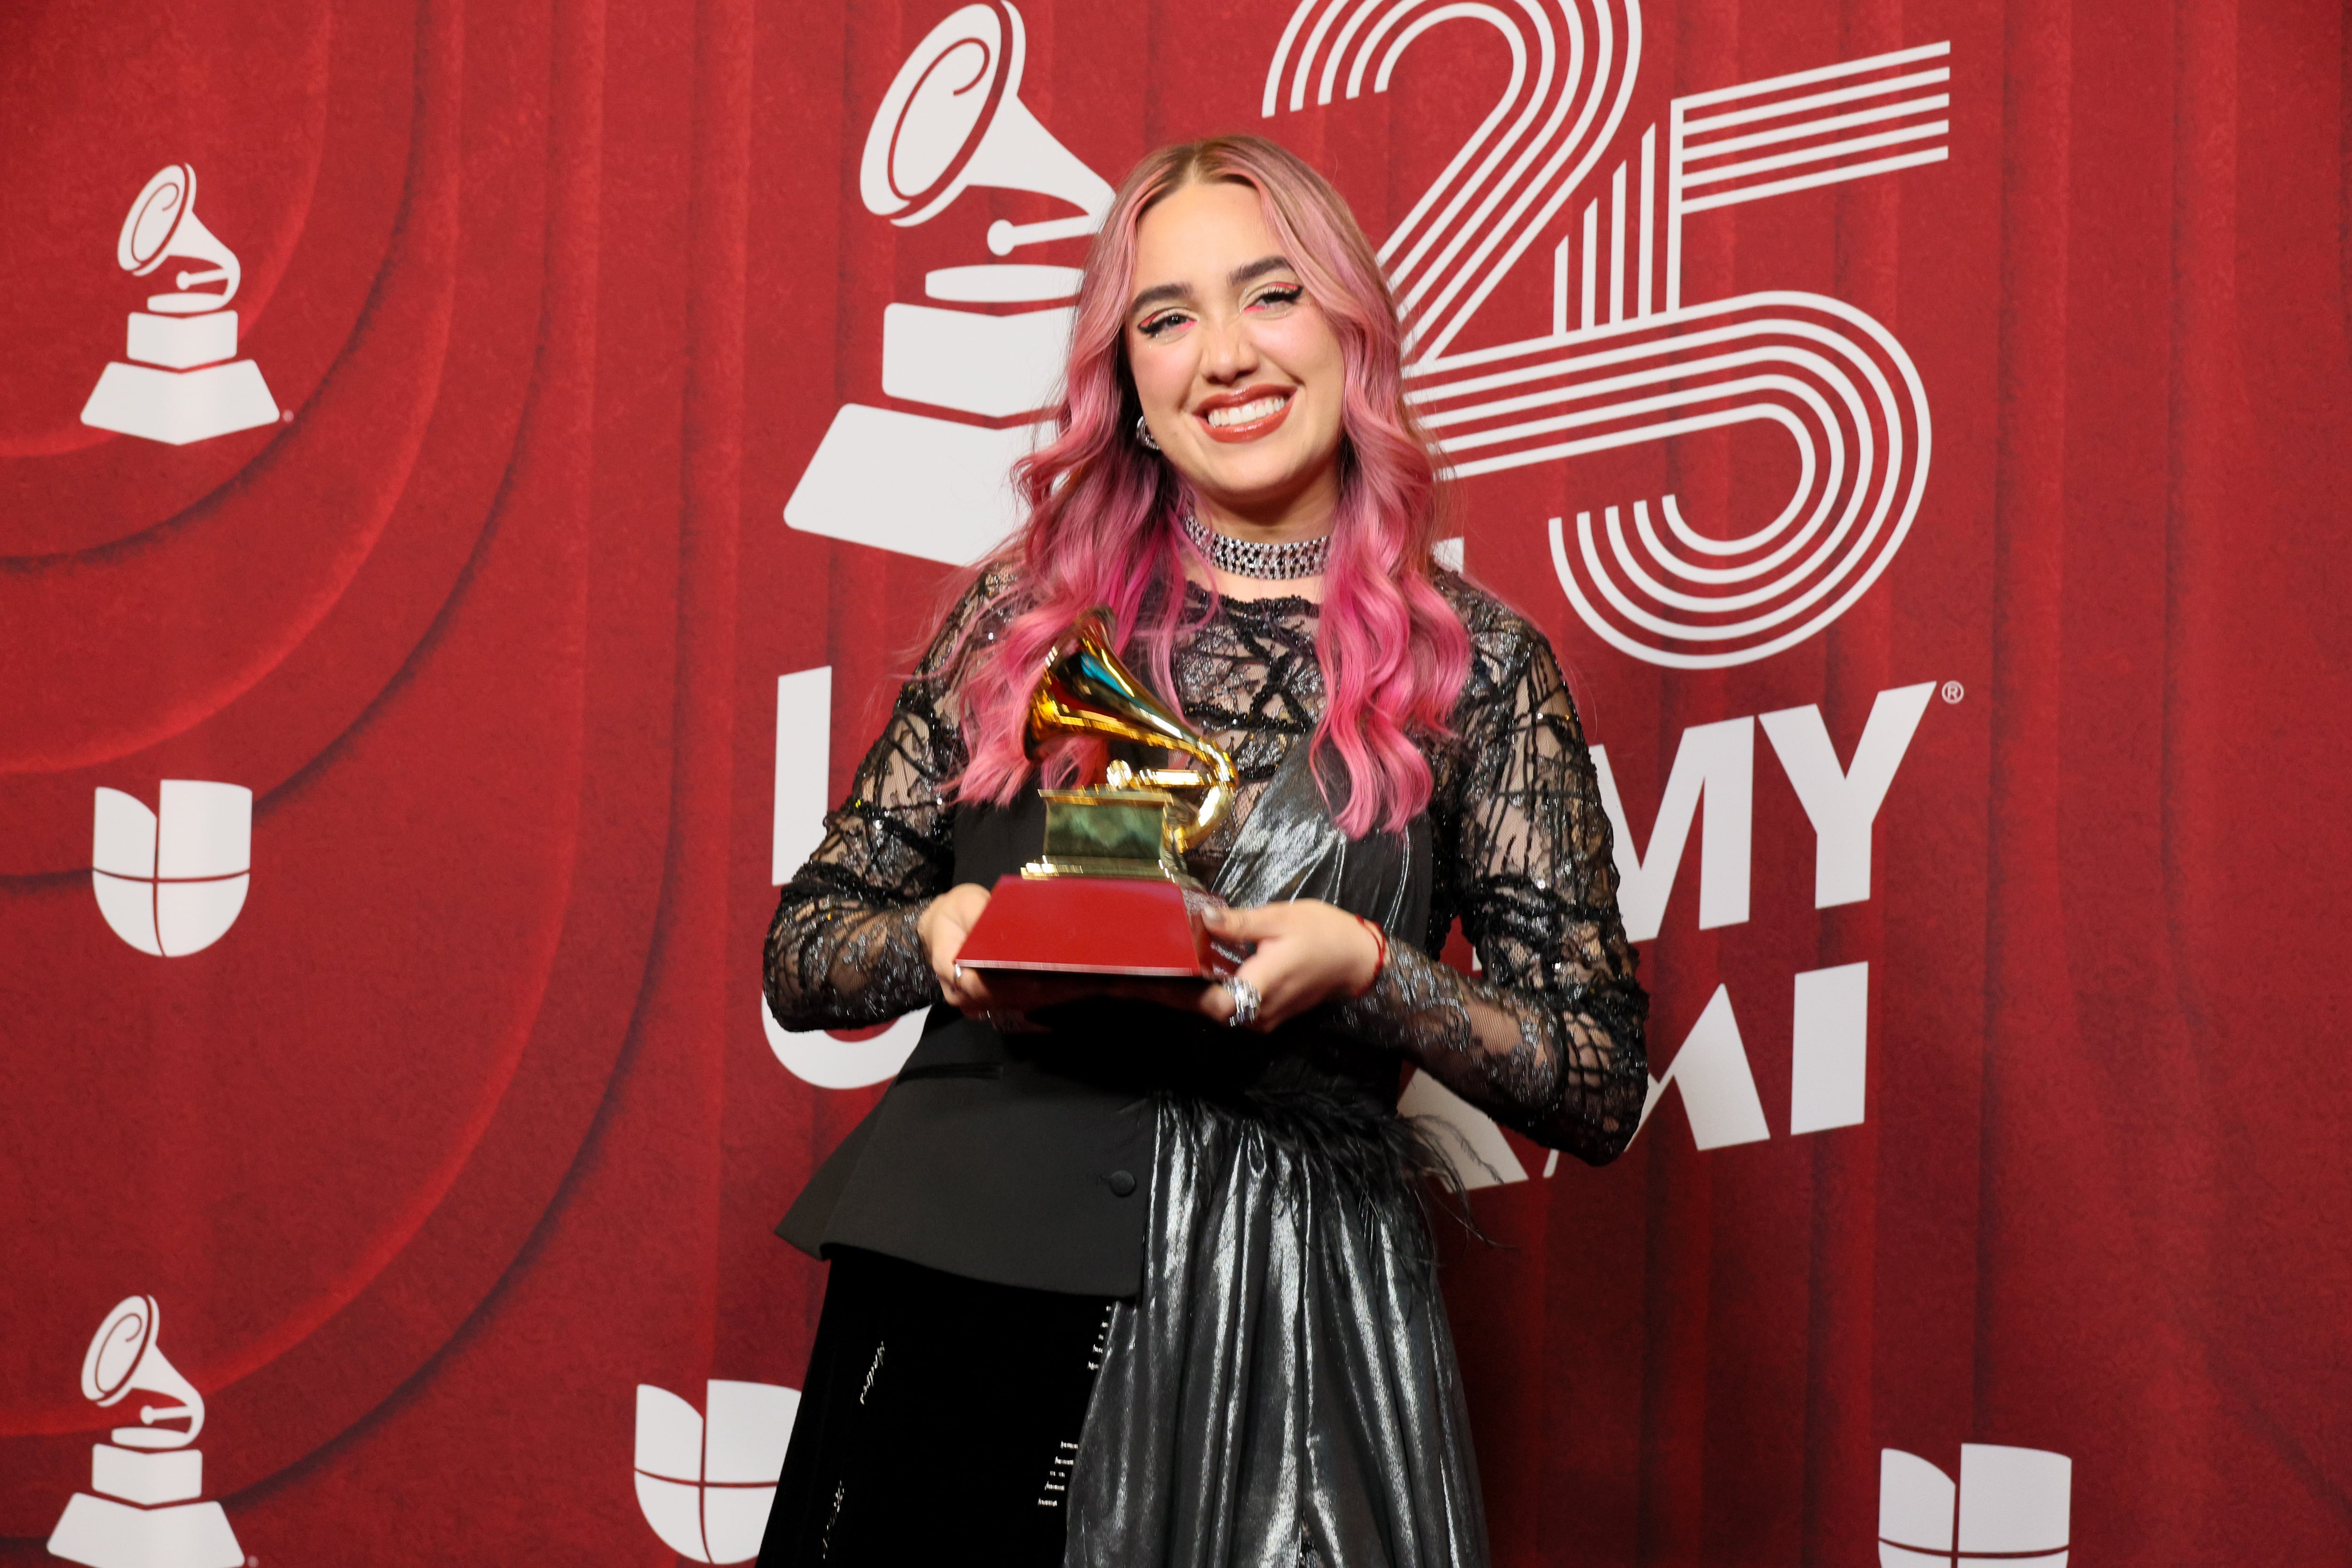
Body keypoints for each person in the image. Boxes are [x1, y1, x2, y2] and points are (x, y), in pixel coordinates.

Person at [757, 135, 1647, 1568]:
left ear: (1354, 333)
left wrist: (1365, 967)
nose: (1224, 355)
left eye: (1271, 296)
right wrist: (941, 937)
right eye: (1167, 319)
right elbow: (806, 952)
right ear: (1131, 389)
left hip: (1288, 1335)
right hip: (966, 1293)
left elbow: (1597, 1079)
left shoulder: (1482, 670)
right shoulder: (1022, 623)